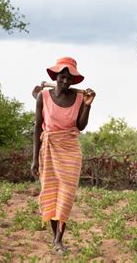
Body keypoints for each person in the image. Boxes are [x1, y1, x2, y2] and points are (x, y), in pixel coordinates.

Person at [31, 56, 95, 254]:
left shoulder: (79, 98)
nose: (66, 81)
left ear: (74, 81)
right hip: (48, 149)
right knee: (51, 192)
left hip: (70, 150)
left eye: (70, 79)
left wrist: (88, 104)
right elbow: (36, 128)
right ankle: (54, 237)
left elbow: (81, 126)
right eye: (63, 77)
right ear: (56, 76)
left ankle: (59, 240)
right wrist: (34, 159)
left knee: (66, 195)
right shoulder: (43, 96)